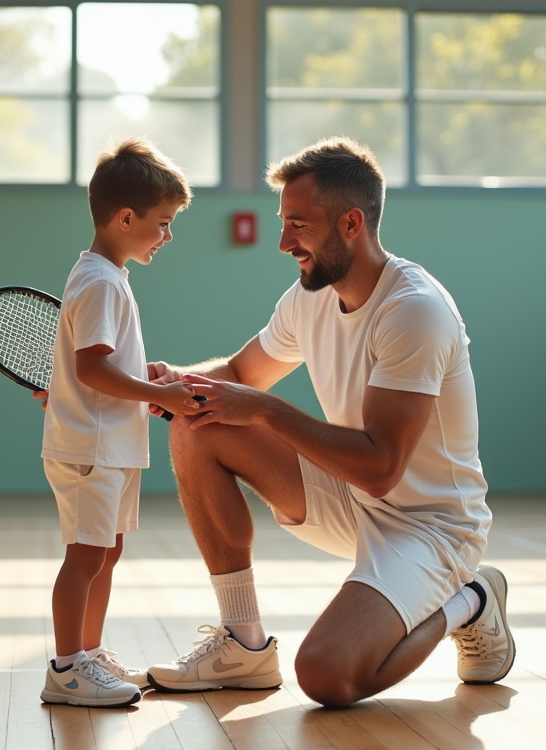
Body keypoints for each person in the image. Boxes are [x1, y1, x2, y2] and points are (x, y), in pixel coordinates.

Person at [143, 137, 515, 707]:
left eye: (298, 225)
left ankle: (472, 598)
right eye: (283, 223)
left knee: (325, 676)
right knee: (199, 421)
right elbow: (239, 374)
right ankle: (243, 643)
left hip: (430, 527)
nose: (283, 242)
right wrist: (162, 385)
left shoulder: (414, 311)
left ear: (351, 223)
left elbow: (380, 469)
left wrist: (264, 409)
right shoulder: (309, 297)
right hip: (349, 497)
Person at [38, 138, 201, 708]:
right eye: (164, 223)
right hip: (92, 450)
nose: (168, 236)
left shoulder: (107, 276)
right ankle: (66, 669)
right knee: (85, 556)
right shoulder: (101, 281)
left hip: (111, 446)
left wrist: (143, 382)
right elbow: (91, 368)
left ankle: (89, 654)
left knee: (106, 553)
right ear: (125, 218)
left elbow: (93, 366)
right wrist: (160, 393)